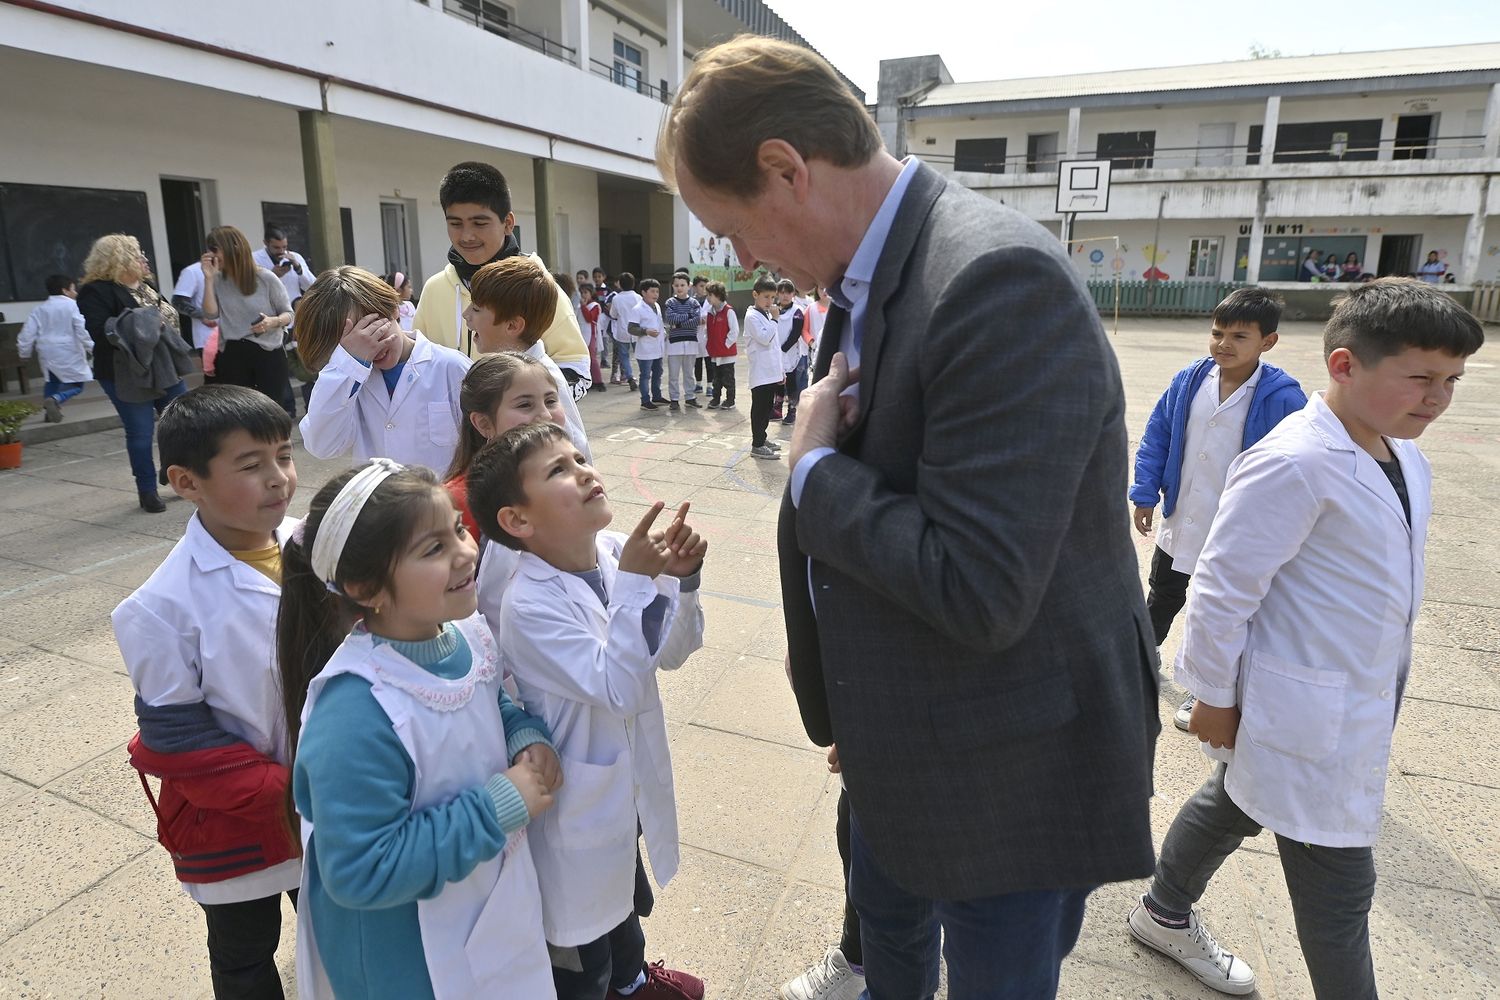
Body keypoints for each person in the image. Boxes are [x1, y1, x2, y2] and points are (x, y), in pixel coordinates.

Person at [661, 36, 1159, 999]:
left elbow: (979, 587)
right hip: (901, 730)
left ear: (785, 170)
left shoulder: (995, 281)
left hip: (1007, 765)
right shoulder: (873, 266)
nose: (742, 261)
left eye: (732, 229)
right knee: (889, 953)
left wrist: (811, 473)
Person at [1126, 279, 1484, 998]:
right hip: (1307, 717)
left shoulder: (1402, 453)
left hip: (1339, 698)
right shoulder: (1294, 459)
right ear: (1346, 365)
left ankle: (1164, 911)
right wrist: (1215, 699)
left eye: (1452, 381)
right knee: (1341, 896)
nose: (1437, 398)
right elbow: (1223, 592)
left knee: (1235, 801)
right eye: (1420, 378)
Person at [277, 459, 560, 999]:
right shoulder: (357, 713)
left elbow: (485, 697)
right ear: (366, 587)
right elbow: (361, 869)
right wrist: (497, 806)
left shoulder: (465, 630)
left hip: (483, 908)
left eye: (457, 529)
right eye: (432, 549)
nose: (465, 552)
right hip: (404, 957)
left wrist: (524, 734)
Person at [466, 421, 708, 1000]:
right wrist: (635, 585)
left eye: (579, 458)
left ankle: (632, 980)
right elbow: (619, 686)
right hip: (575, 804)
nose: (584, 471)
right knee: (580, 957)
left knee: (623, 901)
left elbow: (671, 653)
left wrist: (684, 580)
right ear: (518, 520)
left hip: (618, 789)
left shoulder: (614, 550)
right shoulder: (528, 604)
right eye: (559, 470)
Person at [113, 385, 300, 998]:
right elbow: (180, 736)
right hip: (241, 817)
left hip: (338, 797)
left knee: (343, 927)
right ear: (187, 482)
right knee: (244, 950)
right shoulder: (158, 607)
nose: (278, 478)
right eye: (251, 465)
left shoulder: (314, 547)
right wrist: (289, 793)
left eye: (283, 455)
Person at [1128, 287, 1307, 731]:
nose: (1224, 344)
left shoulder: (1283, 397)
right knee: (1163, 592)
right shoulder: (1189, 381)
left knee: (1220, 611)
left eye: (1239, 336)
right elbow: (1157, 436)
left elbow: (1299, 462)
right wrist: (1145, 491)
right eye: (1217, 333)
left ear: (1268, 342)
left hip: (1235, 526)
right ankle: (1138, 659)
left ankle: (1206, 690)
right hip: (1182, 512)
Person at [411, 161, 591, 392]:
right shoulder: (435, 288)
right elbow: (419, 363)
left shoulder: (536, 287)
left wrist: (520, 407)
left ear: (508, 223)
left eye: (479, 223)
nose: (466, 236)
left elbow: (576, 368)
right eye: (455, 224)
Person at [294, 265, 470, 472]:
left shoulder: (453, 368)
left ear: (393, 309)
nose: (370, 345)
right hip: (379, 501)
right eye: (349, 343)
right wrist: (346, 364)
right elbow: (322, 445)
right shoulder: (347, 380)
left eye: (370, 329)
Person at [77, 233, 189, 512]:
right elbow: (102, 331)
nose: (144, 259)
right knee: (140, 433)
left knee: (183, 423)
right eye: (138, 254)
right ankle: (147, 490)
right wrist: (147, 321)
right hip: (124, 371)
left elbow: (166, 317)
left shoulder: (145, 285)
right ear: (121, 259)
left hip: (163, 365)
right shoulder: (96, 291)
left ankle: (176, 475)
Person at [463, 255, 592, 461]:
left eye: (476, 309)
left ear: (512, 326)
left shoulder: (541, 378)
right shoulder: (513, 369)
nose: (465, 314)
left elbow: (575, 449)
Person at [445, 351, 567, 539]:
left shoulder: (571, 476)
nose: (546, 415)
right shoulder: (457, 502)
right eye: (525, 405)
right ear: (483, 424)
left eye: (550, 401)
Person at [201, 226, 295, 418]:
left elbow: (289, 314)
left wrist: (272, 321)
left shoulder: (265, 277)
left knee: (270, 414)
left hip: (267, 352)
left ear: (232, 248)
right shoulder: (217, 279)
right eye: (209, 248)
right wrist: (209, 279)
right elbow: (210, 315)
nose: (211, 254)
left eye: (215, 248)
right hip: (233, 353)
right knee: (239, 415)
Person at [19, 273, 91, 423]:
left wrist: (24, 353)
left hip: (46, 351)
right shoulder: (73, 306)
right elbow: (82, 329)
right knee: (77, 384)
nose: (75, 293)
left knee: (52, 381)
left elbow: (27, 333)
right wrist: (92, 347)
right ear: (65, 290)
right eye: (73, 289)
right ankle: (56, 399)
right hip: (67, 350)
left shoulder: (39, 309)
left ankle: (49, 413)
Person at [742, 276, 782, 459]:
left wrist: (780, 370)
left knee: (767, 408)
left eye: (773, 297)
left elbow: (775, 346)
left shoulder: (766, 315)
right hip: (760, 373)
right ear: (755, 295)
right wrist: (775, 320)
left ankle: (762, 437)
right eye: (766, 297)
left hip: (771, 372)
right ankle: (757, 444)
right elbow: (765, 339)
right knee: (759, 409)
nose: (770, 301)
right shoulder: (752, 317)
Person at [172, 235, 221, 357]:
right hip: (208, 338)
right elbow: (178, 301)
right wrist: (202, 315)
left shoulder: (233, 271)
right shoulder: (192, 271)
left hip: (235, 336)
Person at [663, 272, 703, 411]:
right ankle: (674, 399)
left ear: (689, 286)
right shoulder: (670, 302)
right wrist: (688, 316)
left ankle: (690, 397)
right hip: (674, 343)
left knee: (689, 373)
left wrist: (679, 324)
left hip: (691, 342)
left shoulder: (694, 302)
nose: (679, 288)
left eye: (682, 285)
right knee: (673, 374)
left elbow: (696, 321)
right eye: (676, 285)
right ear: (673, 286)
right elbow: (671, 319)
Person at [774, 279, 809, 424]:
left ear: (793, 293)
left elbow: (795, 335)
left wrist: (783, 349)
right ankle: (777, 410)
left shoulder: (797, 311)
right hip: (776, 353)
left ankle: (792, 411)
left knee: (791, 383)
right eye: (781, 292)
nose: (785, 296)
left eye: (788, 292)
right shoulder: (773, 310)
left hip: (791, 354)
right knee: (778, 382)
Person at [629, 278, 666, 411]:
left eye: (657, 291)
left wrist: (664, 332)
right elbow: (631, 328)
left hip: (657, 346)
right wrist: (646, 331)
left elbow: (659, 323)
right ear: (644, 293)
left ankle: (657, 396)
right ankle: (645, 400)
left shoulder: (657, 306)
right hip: (645, 348)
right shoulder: (637, 309)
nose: (656, 294)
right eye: (652, 291)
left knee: (658, 372)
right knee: (645, 375)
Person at [702, 281, 739, 410]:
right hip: (714, 352)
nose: (708, 297)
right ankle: (715, 398)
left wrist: (726, 344)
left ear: (718, 295)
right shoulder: (710, 312)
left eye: (710, 295)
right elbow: (707, 330)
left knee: (728, 379)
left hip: (726, 353)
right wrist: (709, 343)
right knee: (716, 379)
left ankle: (730, 400)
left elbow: (734, 332)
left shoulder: (728, 311)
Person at [609, 272, 640, 391]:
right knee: (640, 354)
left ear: (620, 285)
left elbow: (613, 314)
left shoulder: (616, 298)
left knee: (624, 356)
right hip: (636, 330)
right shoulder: (638, 297)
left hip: (622, 330)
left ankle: (630, 376)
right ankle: (643, 375)